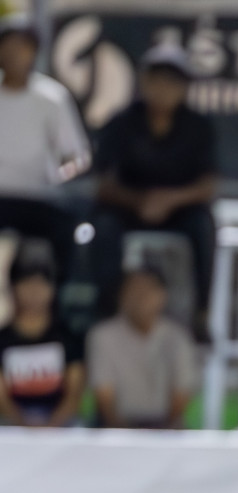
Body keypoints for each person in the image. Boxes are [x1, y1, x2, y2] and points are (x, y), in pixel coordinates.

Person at [92, 43, 218, 326]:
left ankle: (202, 314)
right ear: (144, 82)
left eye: (173, 82)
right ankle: (106, 309)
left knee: (204, 226)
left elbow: (208, 184)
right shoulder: (122, 122)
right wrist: (140, 202)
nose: (164, 88)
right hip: (128, 206)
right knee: (103, 227)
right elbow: (104, 184)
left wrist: (168, 200)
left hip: (178, 209)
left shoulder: (198, 126)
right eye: (158, 80)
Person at [0, 15, 91, 288]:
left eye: (23, 46)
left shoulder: (52, 97)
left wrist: (62, 174)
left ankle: (58, 305)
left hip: (37, 196)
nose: (15, 53)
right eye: (9, 45)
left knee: (67, 229)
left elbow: (77, 156)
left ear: (34, 52)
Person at [86, 264, 197, 428]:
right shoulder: (102, 336)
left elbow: (182, 392)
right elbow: (104, 397)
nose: (141, 297)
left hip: (167, 430)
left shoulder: (178, 337)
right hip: (117, 429)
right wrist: (124, 436)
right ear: (121, 295)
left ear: (162, 296)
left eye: (148, 290)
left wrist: (159, 435)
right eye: (134, 290)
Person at [0, 242, 84, 427]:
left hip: (60, 423)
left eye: (41, 284)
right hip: (12, 424)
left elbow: (74, 394)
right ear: (14, 288)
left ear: (52, 289)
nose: (34, 292)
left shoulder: (67, 338)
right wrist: (23, 426)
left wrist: (51, 427)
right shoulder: (3, 340)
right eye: (27, 284)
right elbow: (2, 399)